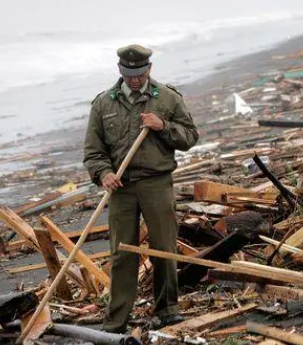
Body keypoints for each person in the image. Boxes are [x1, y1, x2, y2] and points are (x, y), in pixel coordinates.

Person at [83, 44, 199, 333]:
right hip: (121, 188)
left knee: (163, 246)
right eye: (128, 74)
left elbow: (190, 137)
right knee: (122, 253)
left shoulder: (167, 99)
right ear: (120, 71)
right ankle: (117, 318)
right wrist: (104, 173)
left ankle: (168, 309)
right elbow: (93, 152)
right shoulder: (103, 104)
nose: (134, 79)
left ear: (149, 69)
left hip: (156, 183)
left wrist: (163, 126)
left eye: (139, 73)